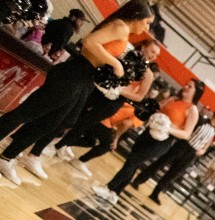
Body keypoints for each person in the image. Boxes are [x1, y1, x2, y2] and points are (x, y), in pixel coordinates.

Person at [0, 0, 154, 186]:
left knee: (53, 122)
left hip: (85, 78)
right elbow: (89, 42)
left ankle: (8, 157)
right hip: (74, 73)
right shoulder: (120, 26)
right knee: (28, 112)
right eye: (147, 22)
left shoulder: (124, 31)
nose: (146, 28)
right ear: (137, 17)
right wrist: (115, 64)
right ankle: (8, 156)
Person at [43, 40, 162, 178]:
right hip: (100, 89)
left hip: (115, 100)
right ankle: (49, 139)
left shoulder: (148, 73)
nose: (153, 56)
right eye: (152, 51)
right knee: (74, 113)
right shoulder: (126, 55)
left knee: (85, 123)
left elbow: (140, 96)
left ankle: (57, 146)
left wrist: (119, 90)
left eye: (156, 54)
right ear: (144, 46)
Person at [93, 78, 203, 204]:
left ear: (196, 93)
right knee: (133, 162)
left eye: (190, 87)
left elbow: (186, 134)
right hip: (148, 133)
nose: (186, 87)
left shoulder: (192, 110)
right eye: (186, 84)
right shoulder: (173, 99)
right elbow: (157, 110)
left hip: (163, 140)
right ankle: (115, 193)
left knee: (133, 160)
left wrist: (168, 128)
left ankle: (109, 188)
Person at [133, 109, 215, 204]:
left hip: (192, 153)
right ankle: (138, 180)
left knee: (173, 174)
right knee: (160, 163)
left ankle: (155, 193)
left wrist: (203, 150)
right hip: (183, 145)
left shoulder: (214, 131)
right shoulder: (201, 121)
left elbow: (208, 143)